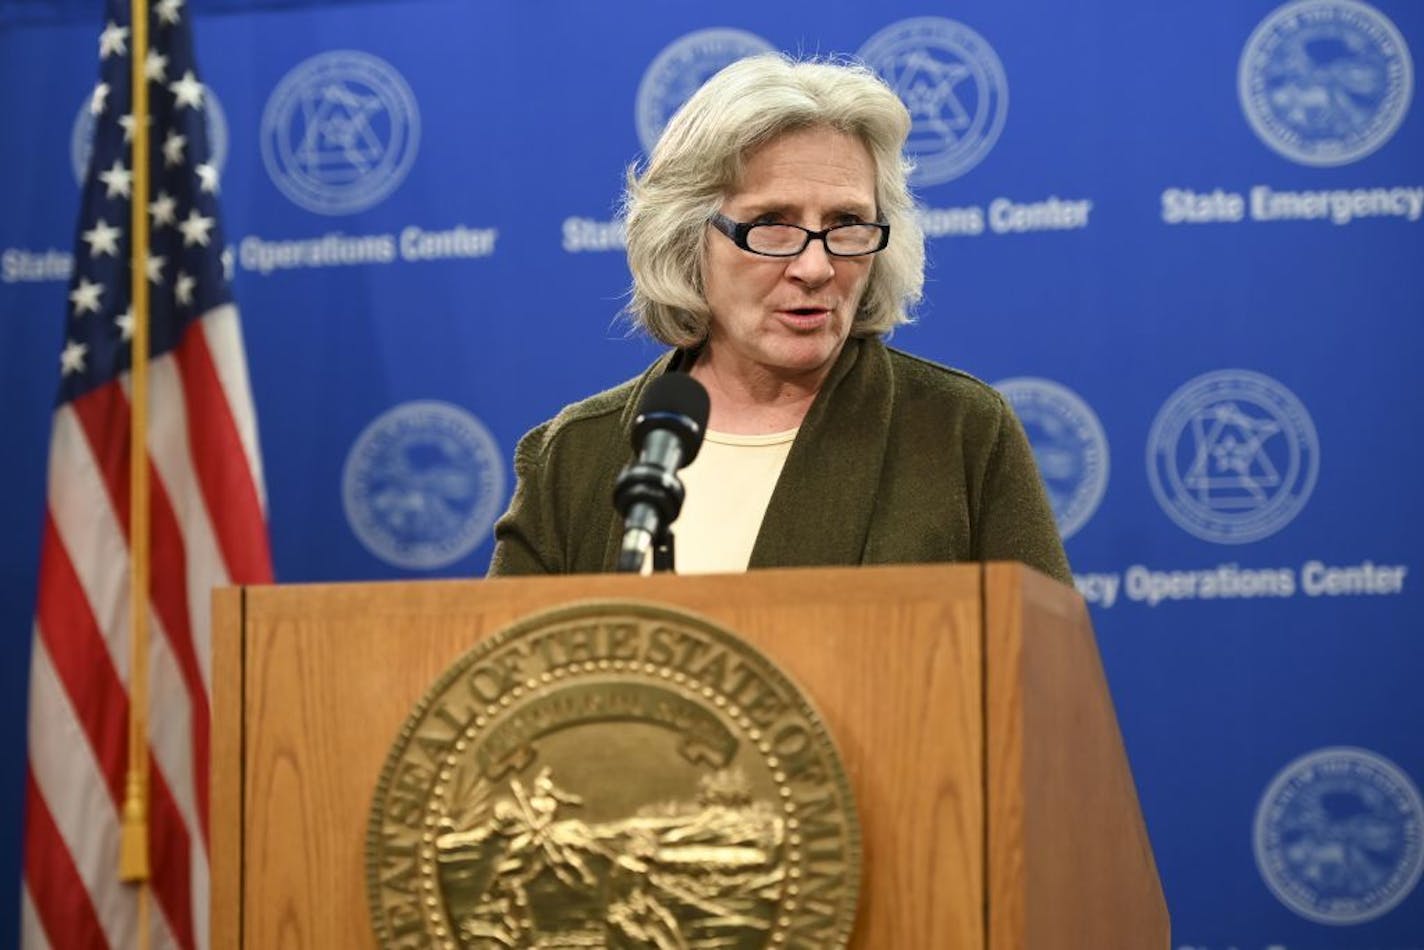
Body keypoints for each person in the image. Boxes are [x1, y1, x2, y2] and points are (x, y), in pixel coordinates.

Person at [489, 54, 1070, 584]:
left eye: (847, 222)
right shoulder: (576, 454)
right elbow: (499, 687)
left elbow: (1044, 682)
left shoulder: (960, 432)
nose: (816, 266)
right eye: (772, 223)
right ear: (689, 237)